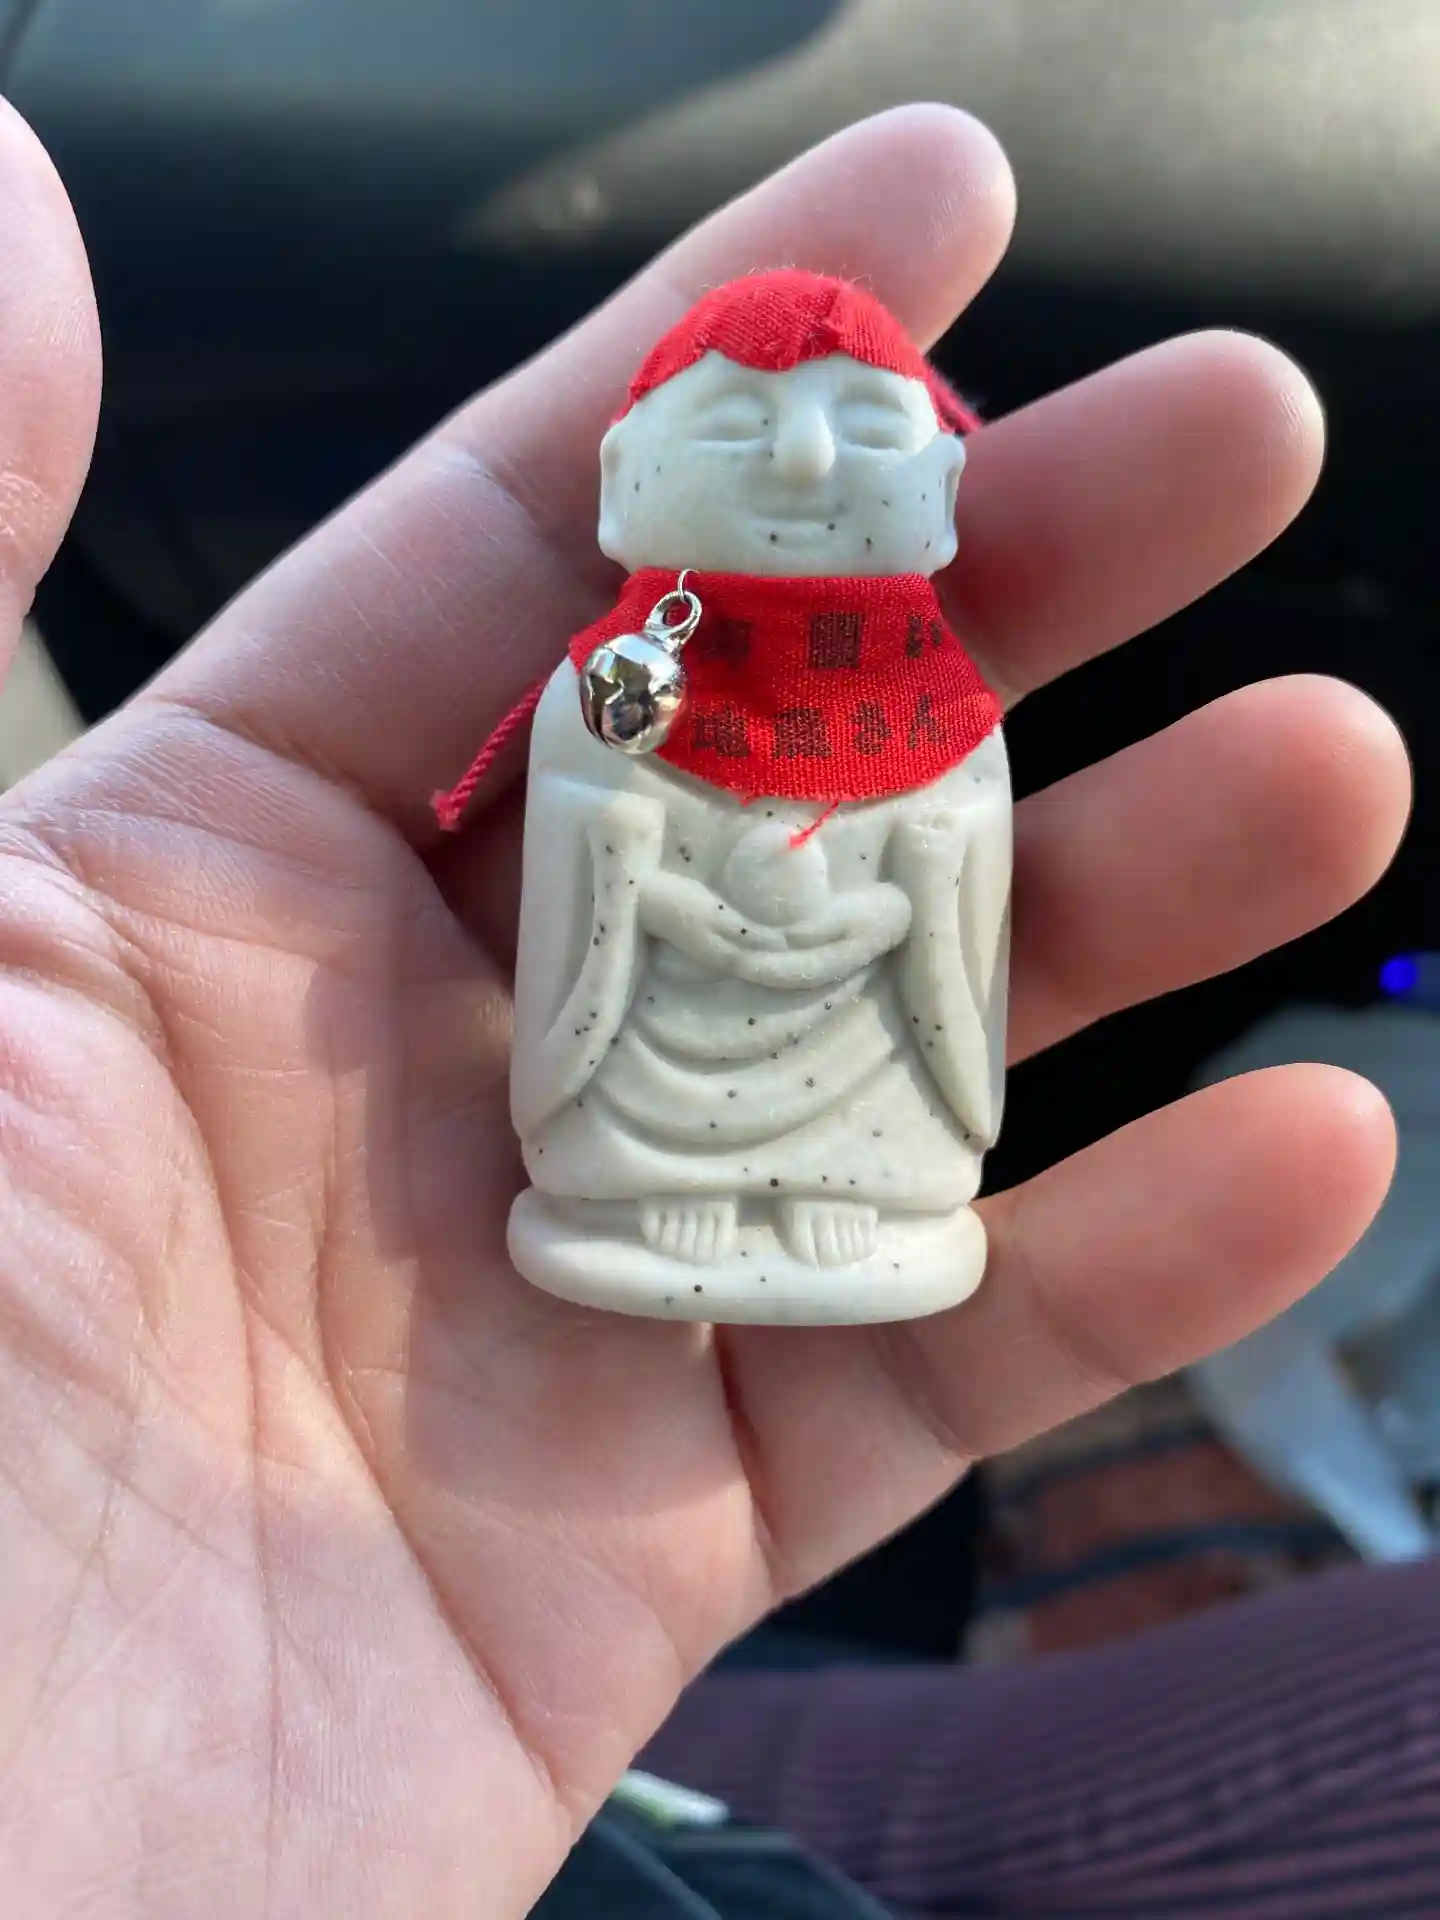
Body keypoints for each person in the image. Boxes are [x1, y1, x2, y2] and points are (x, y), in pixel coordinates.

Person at [0, 94, 1416, 1918]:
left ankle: (838, 1211)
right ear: (630, 485)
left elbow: (957, 884)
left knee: (889, 1094)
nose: (807, 466)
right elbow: (590, 872)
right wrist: (676, 881)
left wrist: (882, 893)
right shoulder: (623, 681)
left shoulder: (941, 711)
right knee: (639, 1088)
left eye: (863, 431)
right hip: (673, 1028)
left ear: (938, 484)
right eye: (739, 428)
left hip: (851, 1026)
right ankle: (674, 1202)